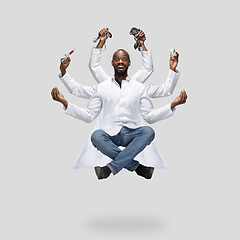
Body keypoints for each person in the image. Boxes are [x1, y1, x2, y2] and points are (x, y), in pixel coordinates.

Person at [51, 48, 187, 180]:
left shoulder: (139, 87)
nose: (120, 62)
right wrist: (65, 101)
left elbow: (149, 116)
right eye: (116, 59)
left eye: (124, 59)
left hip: (132, 134)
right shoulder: (102, 87)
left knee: (148, 132)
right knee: (96, 136)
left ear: (129, 63)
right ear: (112, 63)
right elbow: (88, 114)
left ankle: (109, 168)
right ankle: (138, 168)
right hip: (109, 135)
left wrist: (172, 104)